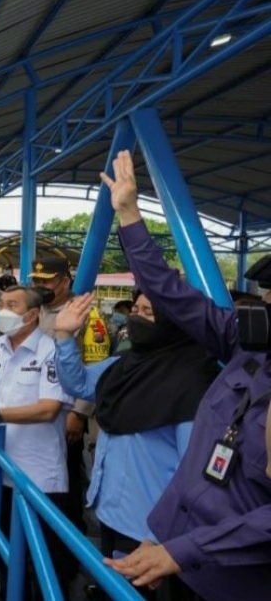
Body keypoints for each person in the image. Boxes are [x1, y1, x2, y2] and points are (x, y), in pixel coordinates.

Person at [100, 149, 271, 599]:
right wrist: (130, 215)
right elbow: (170, 295)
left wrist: (184, 550)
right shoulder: (246, 347)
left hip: (230, 582)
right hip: (175, 557)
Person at [55, 291, 217, 600]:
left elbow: (192, 470)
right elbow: (79, 385)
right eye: (137, 310)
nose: (137, 319)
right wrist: (64, 335)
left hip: (152, 532)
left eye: (150, 313)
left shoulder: (194, 381)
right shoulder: (126, 363)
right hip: (109, 511)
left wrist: (160, 537)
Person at [0, 285, 76, 592]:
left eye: (12, 305)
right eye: (2, 303)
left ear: (32, 315)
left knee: (39, 561)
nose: (3, 310)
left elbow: (48, 409)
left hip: (34, 474)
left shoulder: (51, 352)